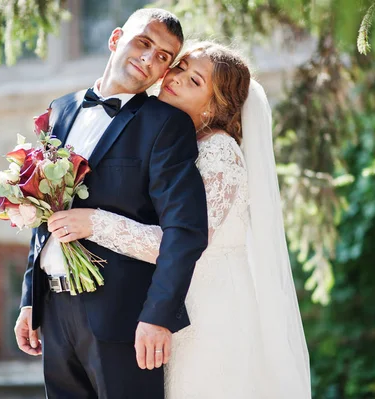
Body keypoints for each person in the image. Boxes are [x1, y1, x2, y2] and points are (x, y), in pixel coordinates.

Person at [56, 42, 312, 398]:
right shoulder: (169, 140)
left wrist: (95, 223)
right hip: (174, 304)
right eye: (180, 67)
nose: (175, 79)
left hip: (210, 310)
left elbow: (185, 240)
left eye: (194, 81)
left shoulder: (218, 151)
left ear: (214, 107)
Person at [14, 9, 209, 399]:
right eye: (144, 42)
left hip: (124, 320)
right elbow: (43, 208)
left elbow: (185, 231)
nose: (150, 59)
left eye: (164, 57)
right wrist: (29, 299)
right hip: (53, 313)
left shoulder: (166, 125)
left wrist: (158, 317)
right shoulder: (60, 110)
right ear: (116, 38)